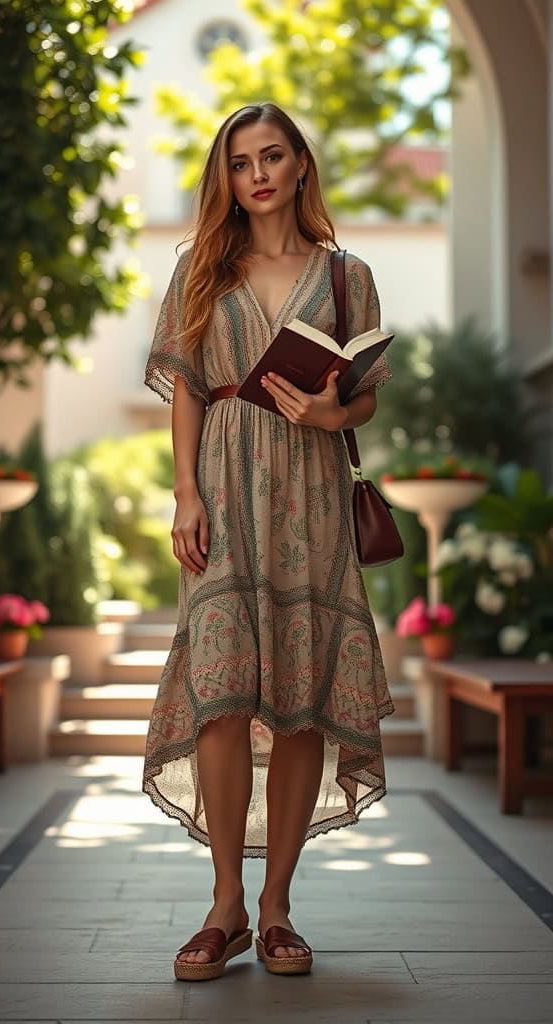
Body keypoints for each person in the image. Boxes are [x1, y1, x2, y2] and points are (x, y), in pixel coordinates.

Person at [142, 102, 395, 982]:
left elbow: (364, 393)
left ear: (298, 166)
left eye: (272, 155)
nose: (256, 173)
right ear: (228, 177)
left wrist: (337, 410)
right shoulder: (201, 268)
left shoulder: (345, 273)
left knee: (298, 687)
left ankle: (279, 907)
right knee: (219, 690)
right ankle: (224, 906)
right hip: (222, 478)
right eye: (240, 161)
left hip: (313, 488)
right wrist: (185, 492)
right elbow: (183, 386)